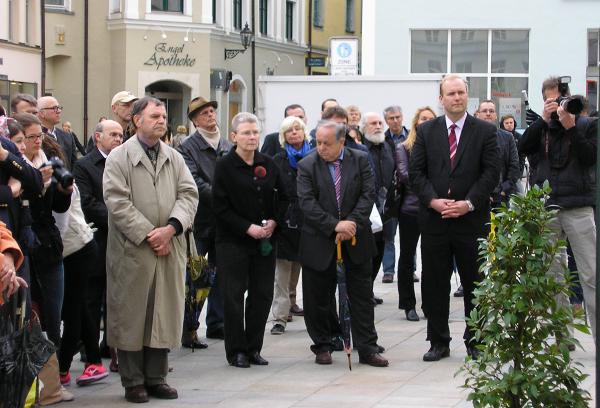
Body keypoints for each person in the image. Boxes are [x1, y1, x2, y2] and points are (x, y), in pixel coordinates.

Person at [103, 97, 198, 403]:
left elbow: (189, 195)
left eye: (164, 116)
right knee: (132, 315)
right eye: (155, 115)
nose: (161, 120)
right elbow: (117, 202)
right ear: (137, 120)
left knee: (162, 312)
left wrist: (171, 228)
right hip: (134, 249)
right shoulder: (119, 157)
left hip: (169, 246)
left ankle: (157, 378)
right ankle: (133, 381)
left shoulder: (174, 157)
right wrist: (149, 234)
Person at [409, 74, 500, 362]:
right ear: (441, 98)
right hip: (435, 221)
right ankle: (438, 341)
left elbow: (491, 173)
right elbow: (416, 174)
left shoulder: (485, 131)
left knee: (475, 282)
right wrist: (434, 201)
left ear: (467, 96)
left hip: (471, 220)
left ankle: (477, 341)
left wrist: (469, 203)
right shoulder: (426, 132)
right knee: (435, 284)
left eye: (461, 92)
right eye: (451, 93)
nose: (456, 98)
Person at [297, 120, 388, 368]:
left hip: (356, 239)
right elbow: (306, 202)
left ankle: (367, 347)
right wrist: (333, 225)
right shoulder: (307, 165)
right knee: (318, 298)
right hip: (319, 241)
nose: (321, 148)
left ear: (342, 142)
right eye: (318, 142)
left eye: (327, 143)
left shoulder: (359, 160)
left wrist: (351, 224)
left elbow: (368, 194)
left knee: (361, 297)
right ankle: (323, 345)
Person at [519, 76, 598, 340]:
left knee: (591, 275)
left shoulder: (587, 125)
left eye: (560, 100)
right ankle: (563, 338)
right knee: (553, 277)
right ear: (544, 101)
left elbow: (589, 159)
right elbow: (522, 147)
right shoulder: (541, 127)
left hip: (578, 207)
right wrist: (543, 120)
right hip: (548, 207)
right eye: (551, 101)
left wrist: (571, 127)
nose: (557, 106)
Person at [212, 112, 287, 367]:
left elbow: (285, 197)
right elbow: (220, 207)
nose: (252, 137)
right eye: (246, 133)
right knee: (233, 296)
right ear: (234, 137)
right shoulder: (224, 166)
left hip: (265, 241)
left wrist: (274, 221)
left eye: (255, 132)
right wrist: (247, 228)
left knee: (262, 295)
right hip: (233, 241)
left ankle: (254, 348)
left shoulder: (269, 163)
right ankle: (237, 351)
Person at [177, 96, 232, 347]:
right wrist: (223, 197)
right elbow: (193, 182)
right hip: (199, 220)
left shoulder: (227, 144)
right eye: (204, 113)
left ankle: (217, 323)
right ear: (195, 120)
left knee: (221, 273)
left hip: (224, 221)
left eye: (212, 111)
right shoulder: (187, 147)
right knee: (196, 275)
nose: (210, 115)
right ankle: (189, 327)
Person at [73, 120, 123, 372]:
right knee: (92, 296)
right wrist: (120, 217)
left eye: (121, 135)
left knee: (115, 296)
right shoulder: (84, 165)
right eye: (113, 134)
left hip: (122, 241)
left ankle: (111, 345)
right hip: (97, 239)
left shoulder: (124, 162)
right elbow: (86, 202)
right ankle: (89, 347)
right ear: (97, 137)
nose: (118, 139)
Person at [269, 116, 310, 335]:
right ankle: (279, 318)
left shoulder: (314, 156)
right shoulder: (278, 159)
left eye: (298, 129)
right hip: (285, 222)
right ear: (284, 136)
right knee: (282, 272)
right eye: (289, 130)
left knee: (300, 267)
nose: (294, 133)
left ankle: (298, 305)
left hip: (309, 221)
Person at [395, 107, 436, 322]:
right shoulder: (404, 147)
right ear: (416, 122)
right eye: (423, 118)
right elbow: (405, 175)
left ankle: (430, 304)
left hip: (433, 209)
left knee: (431, 259)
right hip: (411, 209)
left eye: (431, 119)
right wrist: (431, 187)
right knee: (407, 258)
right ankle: (408, 304)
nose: (427, 122)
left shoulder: (439, 146)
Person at [361, 112, 396, 304]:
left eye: (380, 123)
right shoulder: (360, 149)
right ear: (364, 127)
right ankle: (362, 292)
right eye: (373, 123)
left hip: (387, 209)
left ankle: (369, 290)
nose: (378, 126)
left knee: (381, 249)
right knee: (368, 252)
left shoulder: (387, 146)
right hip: (368, 210)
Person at [381, 105, 410, 284]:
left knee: (409, 235)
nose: (395, 121)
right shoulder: (382, 139)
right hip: (391, 194)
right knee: (388, 235)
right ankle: (388, 271)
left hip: (408, 193)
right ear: (386, 120)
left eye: (398, 117)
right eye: (391, 118)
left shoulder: (411, 137)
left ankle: (410, 269)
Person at [478, 100, 520, 208]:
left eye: (491, 111)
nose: (488, 113)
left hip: (500, 197)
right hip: (477, 197)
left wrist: (504, 189)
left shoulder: (508, 137)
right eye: (484, 111)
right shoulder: (470, 137)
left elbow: (514, 166)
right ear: (478, 114)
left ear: (496, 116)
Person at [37, 96, 77, 170]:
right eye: (54, 108)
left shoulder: (67, 136)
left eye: (59, 108)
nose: (59, 111)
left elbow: (74, 164)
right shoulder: (35, 137)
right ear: (42, 113)